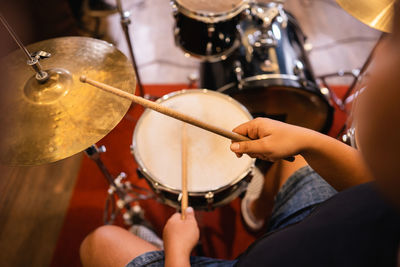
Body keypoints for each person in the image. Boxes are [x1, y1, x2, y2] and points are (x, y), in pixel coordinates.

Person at [79, 3, 400, 267]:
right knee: (299, 159)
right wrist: (306, 139)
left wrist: (178, 251)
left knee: (100, 243)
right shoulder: (389, 194)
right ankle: (259, 212)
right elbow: (375, 190)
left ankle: (259, 218)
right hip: (322, 225)